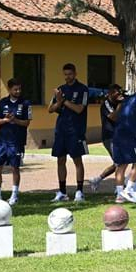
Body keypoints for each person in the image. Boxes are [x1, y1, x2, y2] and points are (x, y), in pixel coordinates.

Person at [48, 63, 89, 202]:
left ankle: (79, 191)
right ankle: (62, 192)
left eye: (70, 74)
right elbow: (50, 109)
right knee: (60, 160)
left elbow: (79, 109)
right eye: (65, 74)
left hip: (76, 131)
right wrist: (59, 102)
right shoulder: (60, 89)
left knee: (77, 160)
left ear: (75, 73)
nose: (67, 77)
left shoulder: (83, 89)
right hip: (61, 130)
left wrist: (63, 100)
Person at [0, 79, 32, 205]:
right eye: (15, 89)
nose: (18, 91)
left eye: (19, 89)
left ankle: (14, 194)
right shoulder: (3, 102)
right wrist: (5, 120)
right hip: (2, 141)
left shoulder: (26, 103)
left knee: (15, 168)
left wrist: (15, 120)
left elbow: (27, 122)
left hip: (17, 141)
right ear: (9, 89)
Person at [89, 84, 123, 191]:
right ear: (110, 93)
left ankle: (97, 179)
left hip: (119, 136)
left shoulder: (118, 103)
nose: (119, 95)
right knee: (119, 162)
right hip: (109, 137)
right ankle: (119, 188)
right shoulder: (106, 104)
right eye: (117, 93)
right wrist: (121, 104)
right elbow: (114, 117)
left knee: (120, 162)